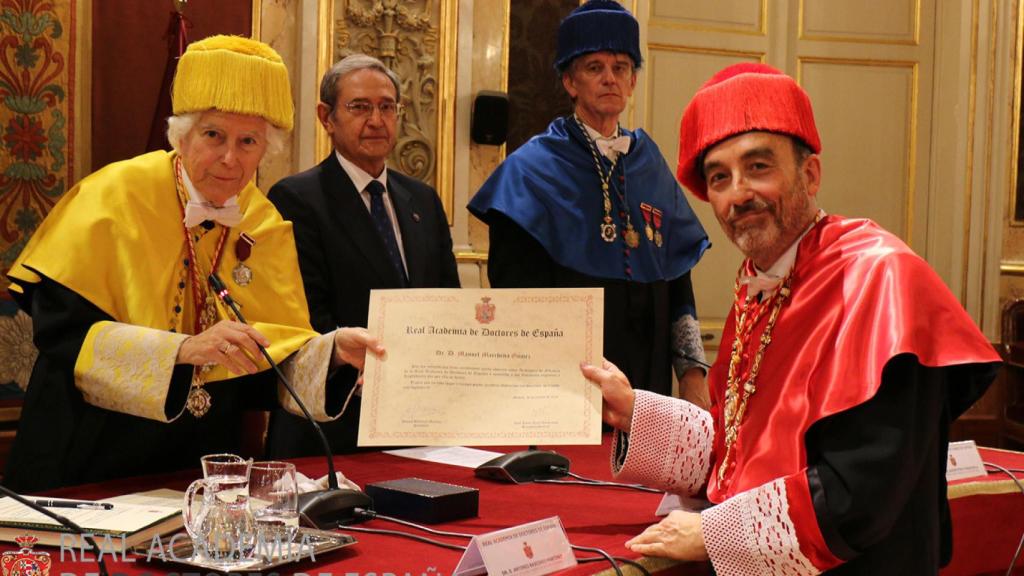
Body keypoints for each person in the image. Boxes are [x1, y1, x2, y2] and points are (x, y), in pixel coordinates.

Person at [580, 62, 1002, 575]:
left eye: (759, 167)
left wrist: (711, 534)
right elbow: (743, 447)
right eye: (720, 178)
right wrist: (634, 411)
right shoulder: (762, 284)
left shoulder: (881, 281)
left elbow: (862, 493)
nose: (738, 194)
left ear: (810, 174)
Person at [4, 35, 382, 492]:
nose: (230, 158)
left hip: (201, 467)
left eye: (248, 141)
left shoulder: (263, 221)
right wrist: (180, 351)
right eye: (213, 135)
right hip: (90, 456)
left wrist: (335, 351)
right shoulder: (113, 196)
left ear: (266, 150)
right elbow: (61, 333)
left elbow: (271, 361)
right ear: (180, 134)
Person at [468, 0, 710, 406]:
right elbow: (517, 302)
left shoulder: (650, 164)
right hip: (565, 384)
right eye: (594, 68)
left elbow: (678, 278)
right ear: (570, 81)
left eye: (620, 67)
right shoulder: (531, 170)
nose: (609, 79)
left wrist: (691, 372)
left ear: (633, 81)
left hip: (648, 385)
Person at [265, 53, 459, 457]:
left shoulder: (421, 198)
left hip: (419, 421)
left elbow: (449, 304)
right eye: (359, 107)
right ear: (326, 117)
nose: (376, 120)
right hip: (335, 424)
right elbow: (306, 320)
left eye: (387, 107)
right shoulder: (296, 198)